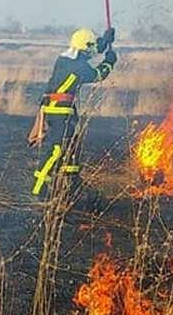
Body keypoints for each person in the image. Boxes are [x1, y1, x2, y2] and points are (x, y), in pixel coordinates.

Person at [28, 27, 117, 196]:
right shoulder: (77, 67)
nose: (92, 49)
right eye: (90, 46)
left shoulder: (66, 59)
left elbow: (89, 52)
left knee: (71, 146)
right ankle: (38, 189)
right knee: (56, 150)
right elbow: (98, 74)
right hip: (59, 112)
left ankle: (72, 184)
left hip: (60, 110)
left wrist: (105, 41)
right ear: (85, 46)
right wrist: (110, 61)